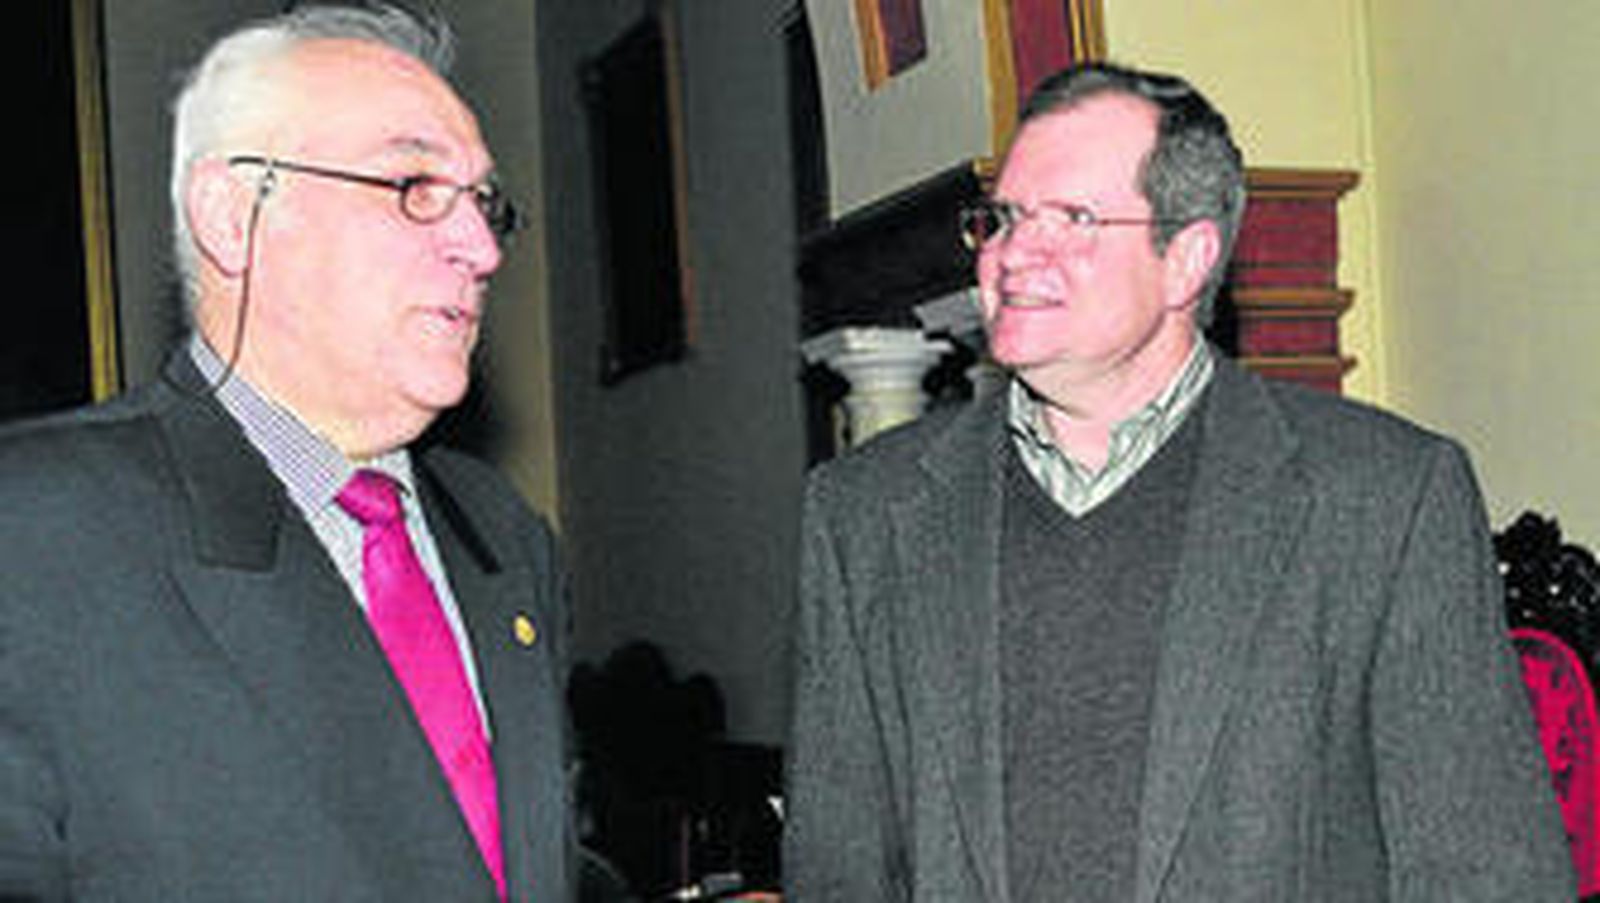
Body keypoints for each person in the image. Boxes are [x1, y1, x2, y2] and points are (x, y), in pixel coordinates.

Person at [784, 61, 1576, 900]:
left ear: (1187, 258)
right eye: (1005, 218)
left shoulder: (1385, 498)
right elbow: (838, 871)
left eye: (1074, 218)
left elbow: (1488, 874)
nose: (1014, 254)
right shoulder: (863, 514)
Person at [0, 5, 571, 900]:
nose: (481, 246)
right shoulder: (32, 531)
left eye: (486, 202)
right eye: (415, 185)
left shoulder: (499, 534)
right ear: (233, 217)